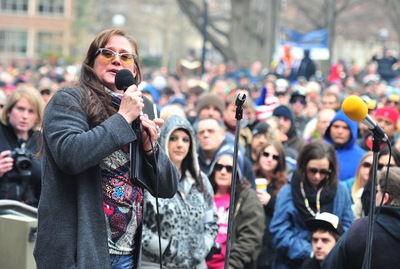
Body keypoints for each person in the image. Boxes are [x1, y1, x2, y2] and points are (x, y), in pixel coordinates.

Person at [33, 28, 179, 269]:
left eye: (126, 56)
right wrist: (123, 119)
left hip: (126, 253)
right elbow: (70, 155)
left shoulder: (144, 108)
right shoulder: (68, 99)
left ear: (134, 69)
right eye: (108, 52)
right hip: (78, 252)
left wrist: (150, 149)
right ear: (91, 61)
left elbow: (167, 187)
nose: (117, 59)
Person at [141, 115, 218, 269]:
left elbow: (212, 221)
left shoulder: (200, 181)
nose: (180, 145)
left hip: (196, 264)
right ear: (164, 140)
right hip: (157, 264)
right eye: (174, 138)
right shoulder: (148, 177)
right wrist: (168, 248)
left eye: (185, 139)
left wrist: (203, 247)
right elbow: (138, 227)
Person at [269, 141, 353, 269]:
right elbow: (279, 231)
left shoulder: (340, 191)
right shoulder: (288, 192)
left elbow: (348, 227)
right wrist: (312, 250)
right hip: (292, 263)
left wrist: (331, 249)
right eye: (312, 170)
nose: (317, 176)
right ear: (303, 167)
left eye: (323, 172)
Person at [323, 167, 400, 268]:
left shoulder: (360, 229)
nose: (375, 196)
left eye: (377, 191)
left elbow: (330, 265)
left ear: (385, 198)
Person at [206, 148, 265, 269]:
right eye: (219, 167)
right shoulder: (203, 193)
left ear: (237, 172)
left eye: (229, 169)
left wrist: (230, 266)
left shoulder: (247, 198)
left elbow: (249, 238)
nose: (223, 172)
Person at [0, 85, 44, 207]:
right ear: (9, 111)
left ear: (37, 117)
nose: (25, 116)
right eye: (20, 109)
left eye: (31, 111)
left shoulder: (41, 141)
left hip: (32, 213)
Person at [253, 141, 288, 269]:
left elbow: (287, 214)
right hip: (250, 240)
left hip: (270, 245)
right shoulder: (248, 179)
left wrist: (271, 202)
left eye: (275, 157)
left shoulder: (284, 186)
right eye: (266, 154)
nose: (269, 159)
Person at [324, 109, 366, 182]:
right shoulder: (318, 150)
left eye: (345, 128)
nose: (339, 131)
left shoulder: (362, 158)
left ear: (353, 131)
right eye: (336, 126)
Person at [344, 151, 373, 219]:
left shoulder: (379, 193)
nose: (370, 170)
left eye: (375, 166)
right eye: (367, 165)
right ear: (359, 166)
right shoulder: (345, 187)